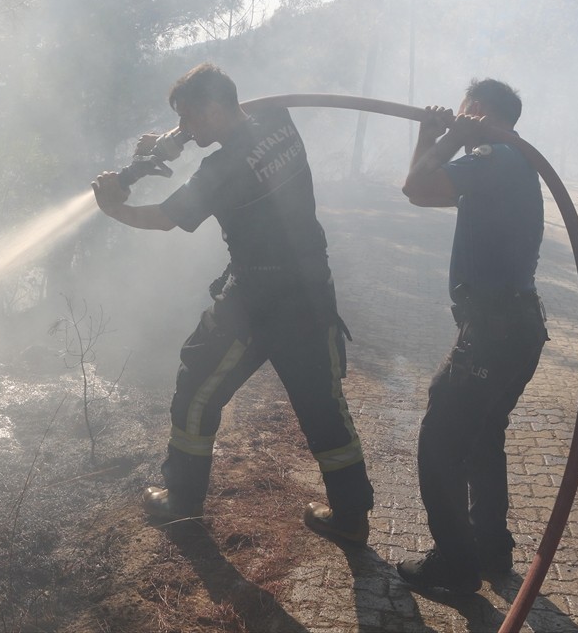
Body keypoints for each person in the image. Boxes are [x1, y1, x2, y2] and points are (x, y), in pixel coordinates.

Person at [91, 63, 374, 544]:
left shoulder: (220, 171)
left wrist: (114, 208)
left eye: (189, 117)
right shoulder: (280, 122)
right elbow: (246, 110)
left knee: (197, 387)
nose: (186, 127)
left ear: (215, 109)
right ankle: (351, 517)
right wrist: (177, 138)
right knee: (322, 406)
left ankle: (182, 500)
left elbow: (164, 218)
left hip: (255, 300)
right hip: (310, 291)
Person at [397, 78, 549, 594]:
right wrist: (430, 135)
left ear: (477, 109)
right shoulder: (505, 163)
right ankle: (489, 549)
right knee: (483, 438)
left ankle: (456, 565)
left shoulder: (493, 157)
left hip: (493, 333)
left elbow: (414, 185)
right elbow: (423, 194)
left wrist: (448, 136)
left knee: (439, 442)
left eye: (465, 110)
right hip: (516, 330)